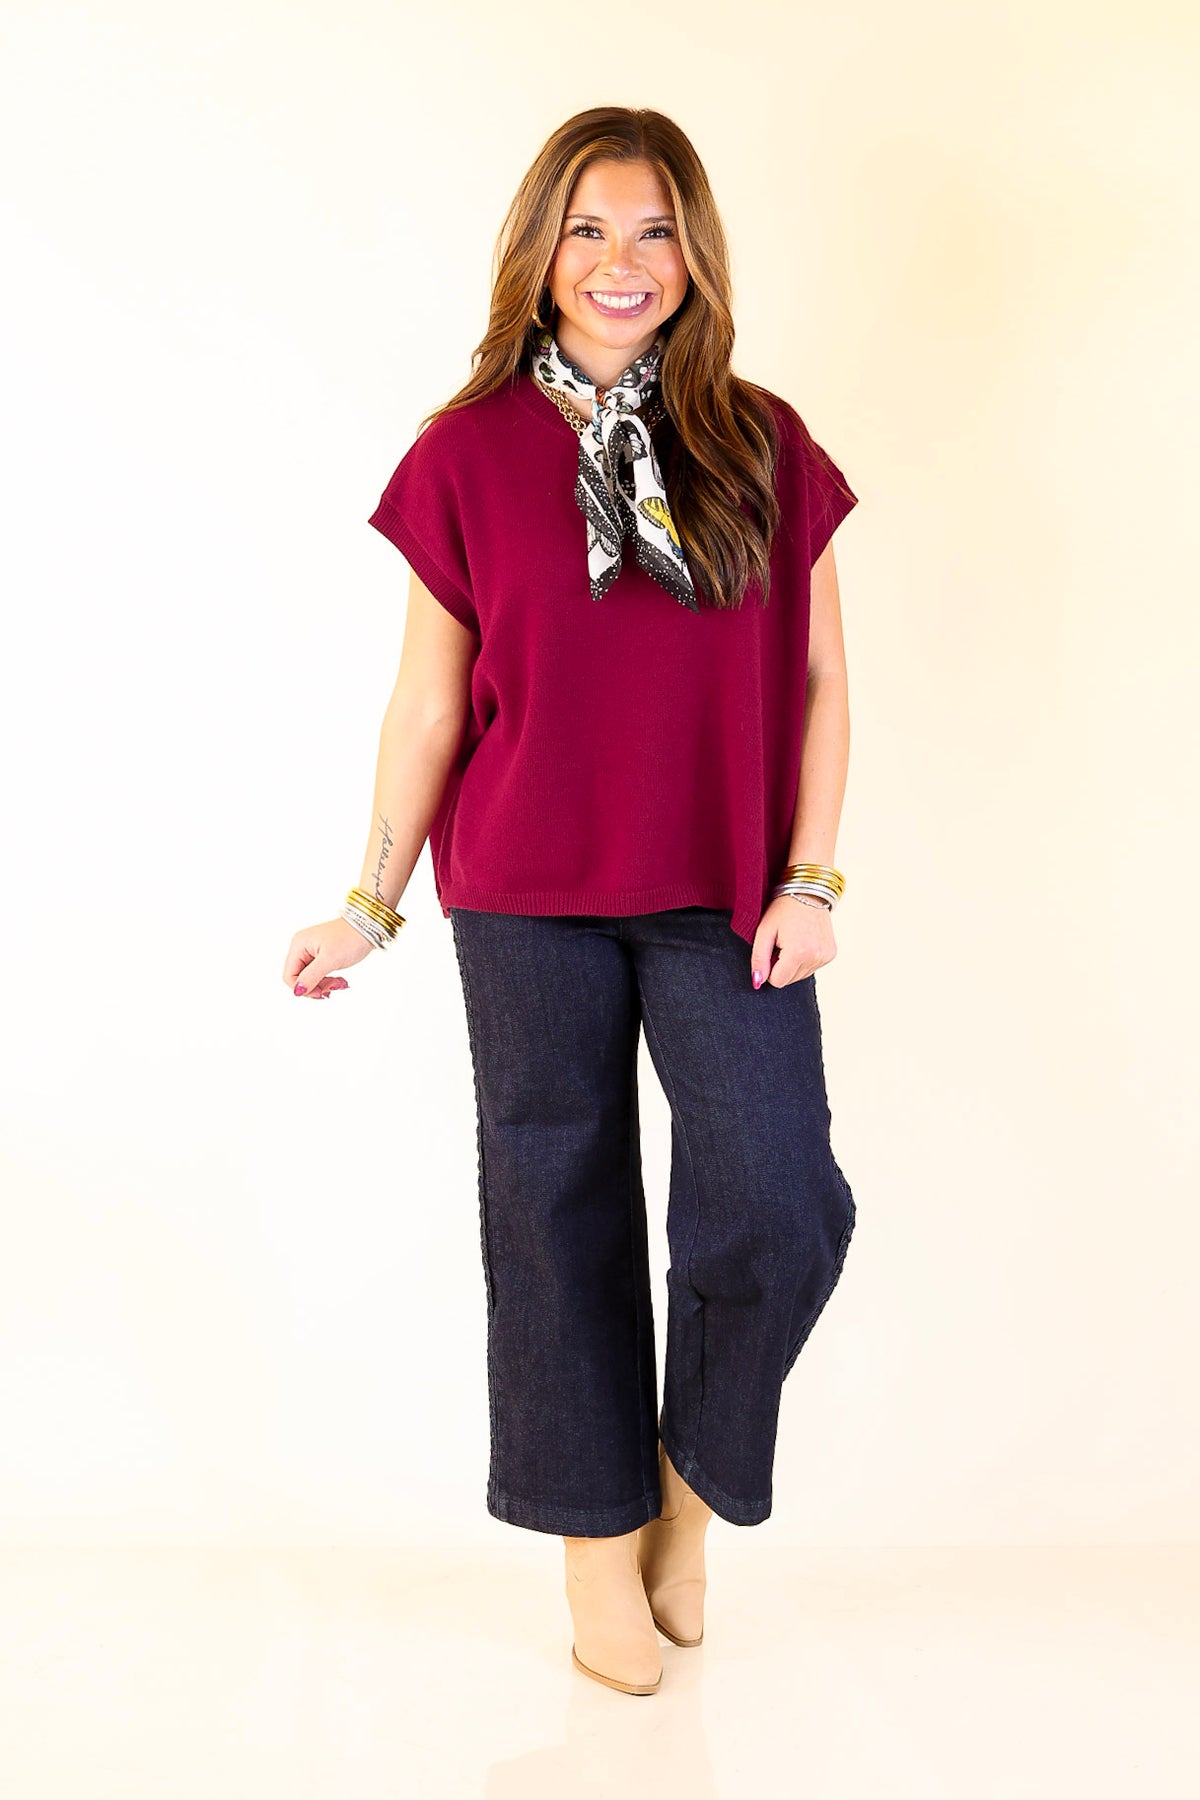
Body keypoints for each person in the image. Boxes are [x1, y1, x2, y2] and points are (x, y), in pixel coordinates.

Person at [282, 106, 860, 1698]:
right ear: (538, 253)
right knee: (555, 1210)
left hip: (726, 890)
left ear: (696, 252)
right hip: (524, 891)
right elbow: (428, 703)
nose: (622, 260)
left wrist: (813, 874)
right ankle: (595, 1546)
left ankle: (685, 1487)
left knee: (780, 1200)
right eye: (588, 228)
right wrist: (369, 902)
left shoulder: (764, 439)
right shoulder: (465, 454)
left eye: (655, 228)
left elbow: (821, 681)